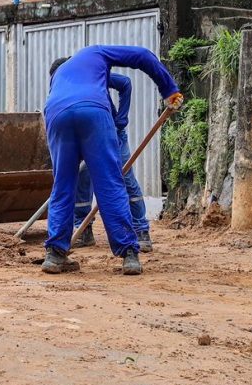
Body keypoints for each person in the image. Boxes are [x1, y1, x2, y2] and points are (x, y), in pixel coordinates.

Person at [42, 46, 182, 276]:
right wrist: (169, 89)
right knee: (110, 182)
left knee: (63, 184)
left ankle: (55, 254)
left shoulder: (60, 74)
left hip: (57, 114)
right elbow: (143, 56)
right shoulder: (96, 53)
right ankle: (128, 254)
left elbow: (72, 99)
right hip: (94, 112)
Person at [71, 73, 153, 252]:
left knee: (125, 177)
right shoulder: (64, 86)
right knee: (81, 180)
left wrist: (121, 121)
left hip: (112, 132)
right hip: (84, 135)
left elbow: (125, 83)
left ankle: (141, 231)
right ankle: (83, 230)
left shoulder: (92, 74)